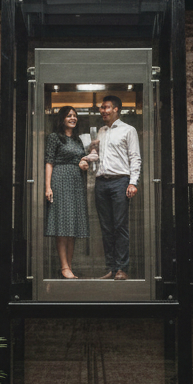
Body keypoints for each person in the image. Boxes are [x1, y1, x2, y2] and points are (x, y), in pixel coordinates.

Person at [93, 94, 140, 280]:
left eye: (106, 107)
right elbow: (97, 157)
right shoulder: (101, 131)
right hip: (101, 182)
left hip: (120, 181)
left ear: (116, 109)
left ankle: (122, 268)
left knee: (120, 226)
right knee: (106, 227)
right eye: (101, 108)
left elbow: (135, 157)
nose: (102, 111)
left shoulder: (129, 130)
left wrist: (133, 182)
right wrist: (89, 156)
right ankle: (112, 268)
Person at [43, 106, 91, 279]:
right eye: (69, 115)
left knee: (73, 226)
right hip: (60, 180)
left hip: (77, 182)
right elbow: (49, 162)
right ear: (62, 118)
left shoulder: (78, 140)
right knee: (62, 225)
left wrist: (84, 164)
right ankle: (64, 267)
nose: (73, 118)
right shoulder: (54, 138)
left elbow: (81, 160)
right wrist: (48, 187)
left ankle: (68, 266)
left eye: (75, 116)